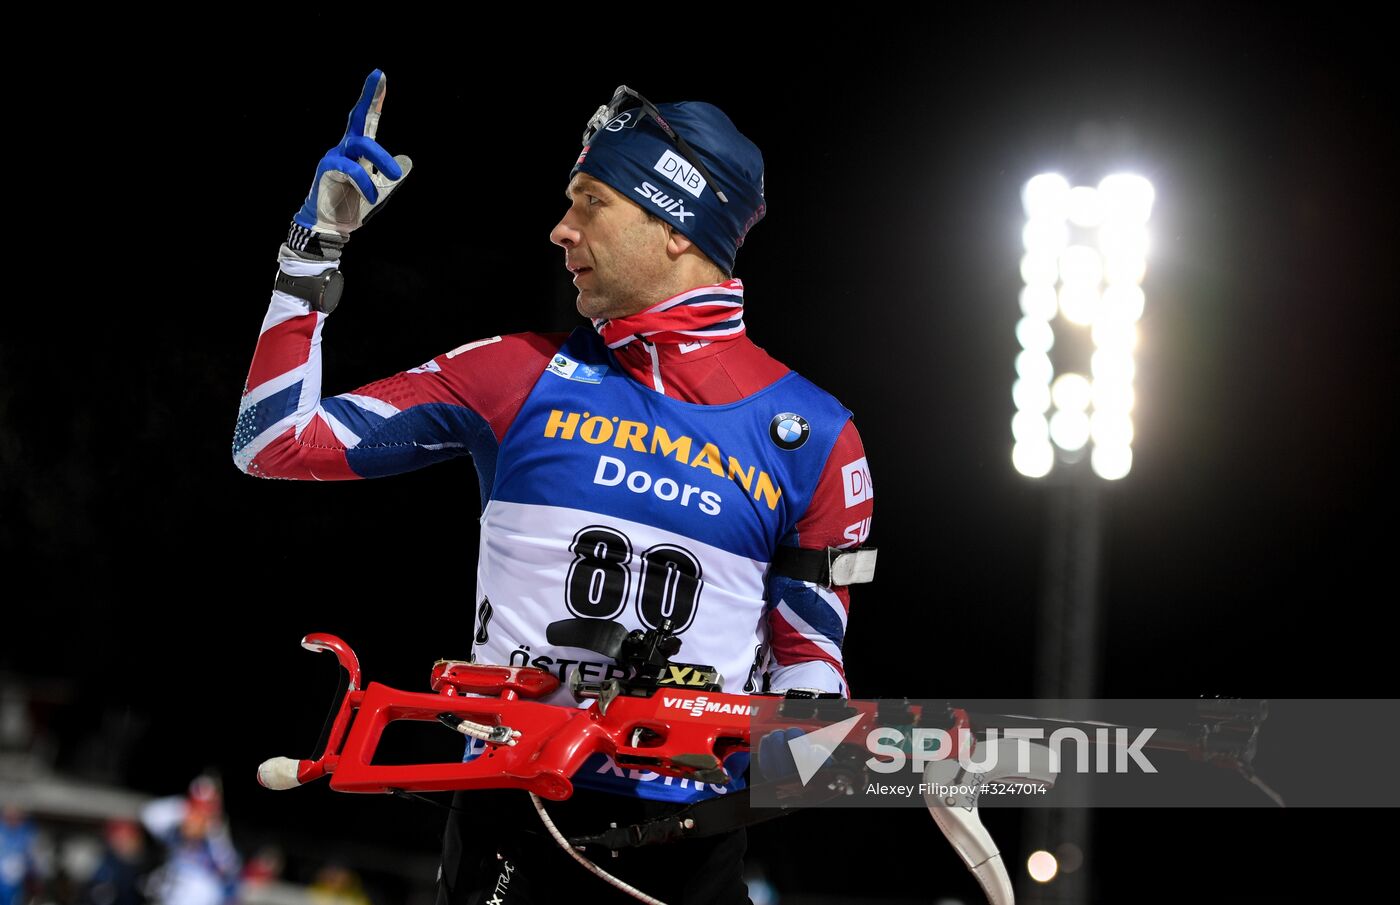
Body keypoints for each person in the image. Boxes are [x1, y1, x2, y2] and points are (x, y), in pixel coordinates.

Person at [233, 71, 875, 904]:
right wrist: (313, 243)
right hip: (512, 829)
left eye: (591, 200)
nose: (560, 229)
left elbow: (811, 674)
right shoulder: (513, 374)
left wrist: (775, 736)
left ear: (676, 225)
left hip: (688, 845)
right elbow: (273, 442)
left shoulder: (817, 436)